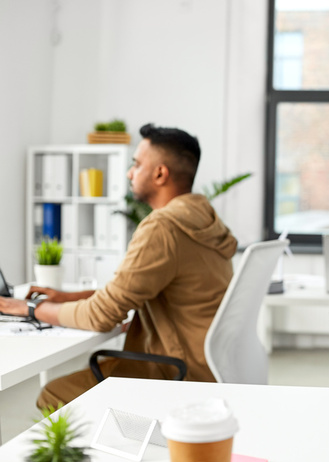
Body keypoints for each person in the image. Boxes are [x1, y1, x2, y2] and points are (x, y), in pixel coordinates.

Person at [0, 123, 238, 408]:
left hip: (174, 371)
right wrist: (66, 297)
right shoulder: (203, 220)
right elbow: (129, 290)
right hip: (206, 364)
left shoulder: (164, 228)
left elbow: (101, 316)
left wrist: (28, 308)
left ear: (160, 173)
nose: (129, 173)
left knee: (53, 393)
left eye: (136, 164)